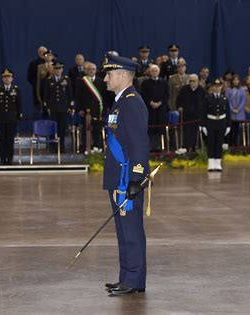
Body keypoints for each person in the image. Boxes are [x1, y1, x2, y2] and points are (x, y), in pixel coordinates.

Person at [101, 51, 149, 296]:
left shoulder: (132, 103)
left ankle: (135, 279)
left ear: (122, 75)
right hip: (118, 177)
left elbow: (139, 144)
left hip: (126, 179)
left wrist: (136, 179)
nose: (105, 79)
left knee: (131, 229)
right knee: (123, 229)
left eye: (109, 74)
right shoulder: (120, 102)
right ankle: (127, 277)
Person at [0, 69, 22, 165]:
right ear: (2, 79)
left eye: (9, 77)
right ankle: (2, 159)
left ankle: (10, 158)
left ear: (12, 78)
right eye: (5, 77)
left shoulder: (16, 89)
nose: (7, 79)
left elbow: (19, 104)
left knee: (10, 140)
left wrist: (19, 114)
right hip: (1, 118)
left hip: (12, 118)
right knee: (2, 140)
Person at [75, 62, 106, 153]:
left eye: (93, 69)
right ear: (85, 70)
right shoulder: (81, 81)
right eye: (89, 69)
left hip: (98, 109)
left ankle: (97, 146)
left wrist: (104, 108)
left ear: (96, 70)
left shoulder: (101, 81)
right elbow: (78, 96)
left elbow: (105, 96)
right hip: (85, 110)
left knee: (97, 129)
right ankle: (86, 147)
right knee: (86, 129)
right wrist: (79, 109)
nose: (91, 71)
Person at [43, 61, 73, 153]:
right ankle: (53, 147)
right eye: (56, 69)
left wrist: (70, 106)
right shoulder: (49, 80)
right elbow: (46, 95)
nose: (58, 70)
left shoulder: (66, 79)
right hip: (53, 108)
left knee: (62, 128)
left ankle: (61, 146)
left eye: (60, 68)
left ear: (62, 69)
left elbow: (70, 94)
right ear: (53, 70)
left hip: (63, 108)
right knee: (53, 127)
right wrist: (47, 107)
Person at [201, 78, 231, 171]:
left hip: (221, 123)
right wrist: (203, 125)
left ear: (221, 87)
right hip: (211, 123)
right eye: (215, 86)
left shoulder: (224, 99)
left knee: (219, 143)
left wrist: (228, 125)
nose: (217, 88)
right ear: (212, 87)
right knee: (211, 143)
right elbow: (203, 113)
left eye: (219, 86)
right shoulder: (207, 98)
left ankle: (218, 163)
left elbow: (228, 113)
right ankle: (211, 163)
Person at [140, 64, 169, 151]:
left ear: (159, 72)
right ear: (150, 72)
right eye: (152, 71)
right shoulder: (145, 83)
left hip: (161, 109)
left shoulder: (164, 82)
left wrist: (160, 103)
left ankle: (159, 146)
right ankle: (150, 146)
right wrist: (150, 102)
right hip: (149, 108)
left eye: (156, 71)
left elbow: (167, 94)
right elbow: (143, 95)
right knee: (150, 127)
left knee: (160, 127)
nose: (154, 73)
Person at [176, 74, 206, 152]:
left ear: (198, 82)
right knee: (187, 132)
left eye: (194, 81)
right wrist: (179, 107)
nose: (192, 83)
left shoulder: (201, 90)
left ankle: (195, 148)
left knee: (196, 132)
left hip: (197, 116)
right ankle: (186, 147)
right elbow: (178, 100)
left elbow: (204, 102)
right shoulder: (184, 89)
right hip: (186, 115)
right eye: (191, 81)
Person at [225, 75, 247, 146]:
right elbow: (227, 101)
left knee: (237, 130)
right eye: (234, 80)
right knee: (230, 130)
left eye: (237, 80)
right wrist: (232, 109)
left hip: (239, 114)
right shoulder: (228, 90)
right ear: (232, 81)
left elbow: (243, 101)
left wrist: (238, 109)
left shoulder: (242, 90)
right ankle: (230, 144)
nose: (235, 81)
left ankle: (236, 145)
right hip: (231, 114)